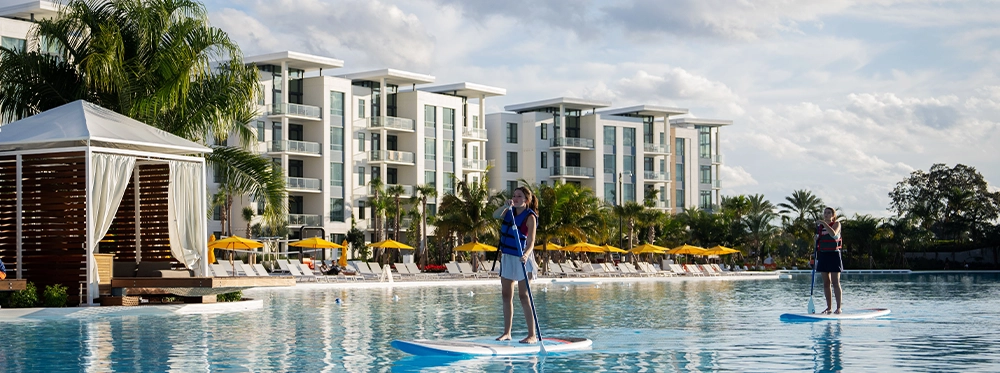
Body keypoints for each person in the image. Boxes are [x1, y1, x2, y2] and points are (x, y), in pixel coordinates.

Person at [492, 186, 540, 344]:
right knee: (506, 295)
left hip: (522, 257)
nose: (515, 198)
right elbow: (495, 215)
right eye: (514, 195)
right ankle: (507, 333)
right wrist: (505, 206)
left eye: (519, 196)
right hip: (508, 257)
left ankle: (532, 335)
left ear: (526, 200)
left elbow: (531, 241)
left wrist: (526, 255)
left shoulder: (530, 217)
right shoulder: (509, 212)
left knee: (524, 296)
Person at [814, 207, 843, 314]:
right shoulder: (820, 228)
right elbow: (820, 239)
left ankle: (839, 307)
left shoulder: (837, 224)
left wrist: (824, 223)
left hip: (834, 255)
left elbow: (833, 234)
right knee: (826, 283)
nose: (826, 214)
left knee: (835, 282)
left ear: (833, 215)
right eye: (825, 213)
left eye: (828, 213)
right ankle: (829, 307)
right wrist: (816, 238)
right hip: (823, 255)